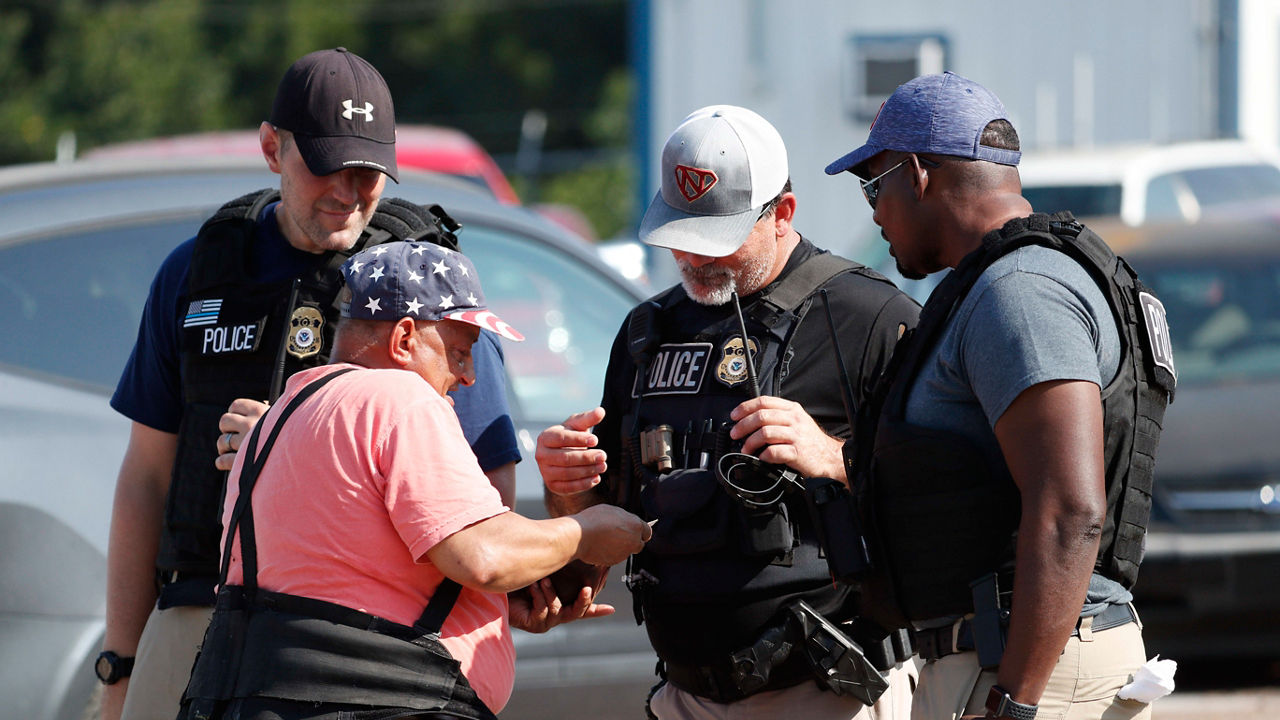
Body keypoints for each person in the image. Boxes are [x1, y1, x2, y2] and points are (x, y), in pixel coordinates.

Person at [100, 48, 521, 720]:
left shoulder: (421, 279)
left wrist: (287, 450)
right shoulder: (198, 271)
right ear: (272, 147)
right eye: (327, 165)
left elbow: (488, 488)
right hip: (196, 611)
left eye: (369, 173)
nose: (348, 193)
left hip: (354, 642)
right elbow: (145, 479)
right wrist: (118, 664)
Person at [536, 105, 920, 720]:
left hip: (831, 693)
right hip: (686, 695)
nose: (694, 259)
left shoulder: (867, 317)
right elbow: (603, 533)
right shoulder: (647, 331)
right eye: (680, 237)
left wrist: (833, 457)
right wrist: (566, 492)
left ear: (783, 214)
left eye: (716, 240)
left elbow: (949, 492)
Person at [824, 72, 1177, 720]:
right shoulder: (999, 283)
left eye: (876, 185)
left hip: (1034, 669)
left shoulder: (1020, 291)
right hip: (1011, 660)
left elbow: (1071, 508)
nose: (874, 211)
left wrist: (1015, 702)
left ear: (919, 175)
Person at [176, 240, 652, 719]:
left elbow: (342, 580)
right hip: (375, 702)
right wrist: (586, 532)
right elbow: (481, 556)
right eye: (461, 353)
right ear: (404, 339)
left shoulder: (280, 415)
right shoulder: (400, 398)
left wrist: (494, 606)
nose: (468, 377)